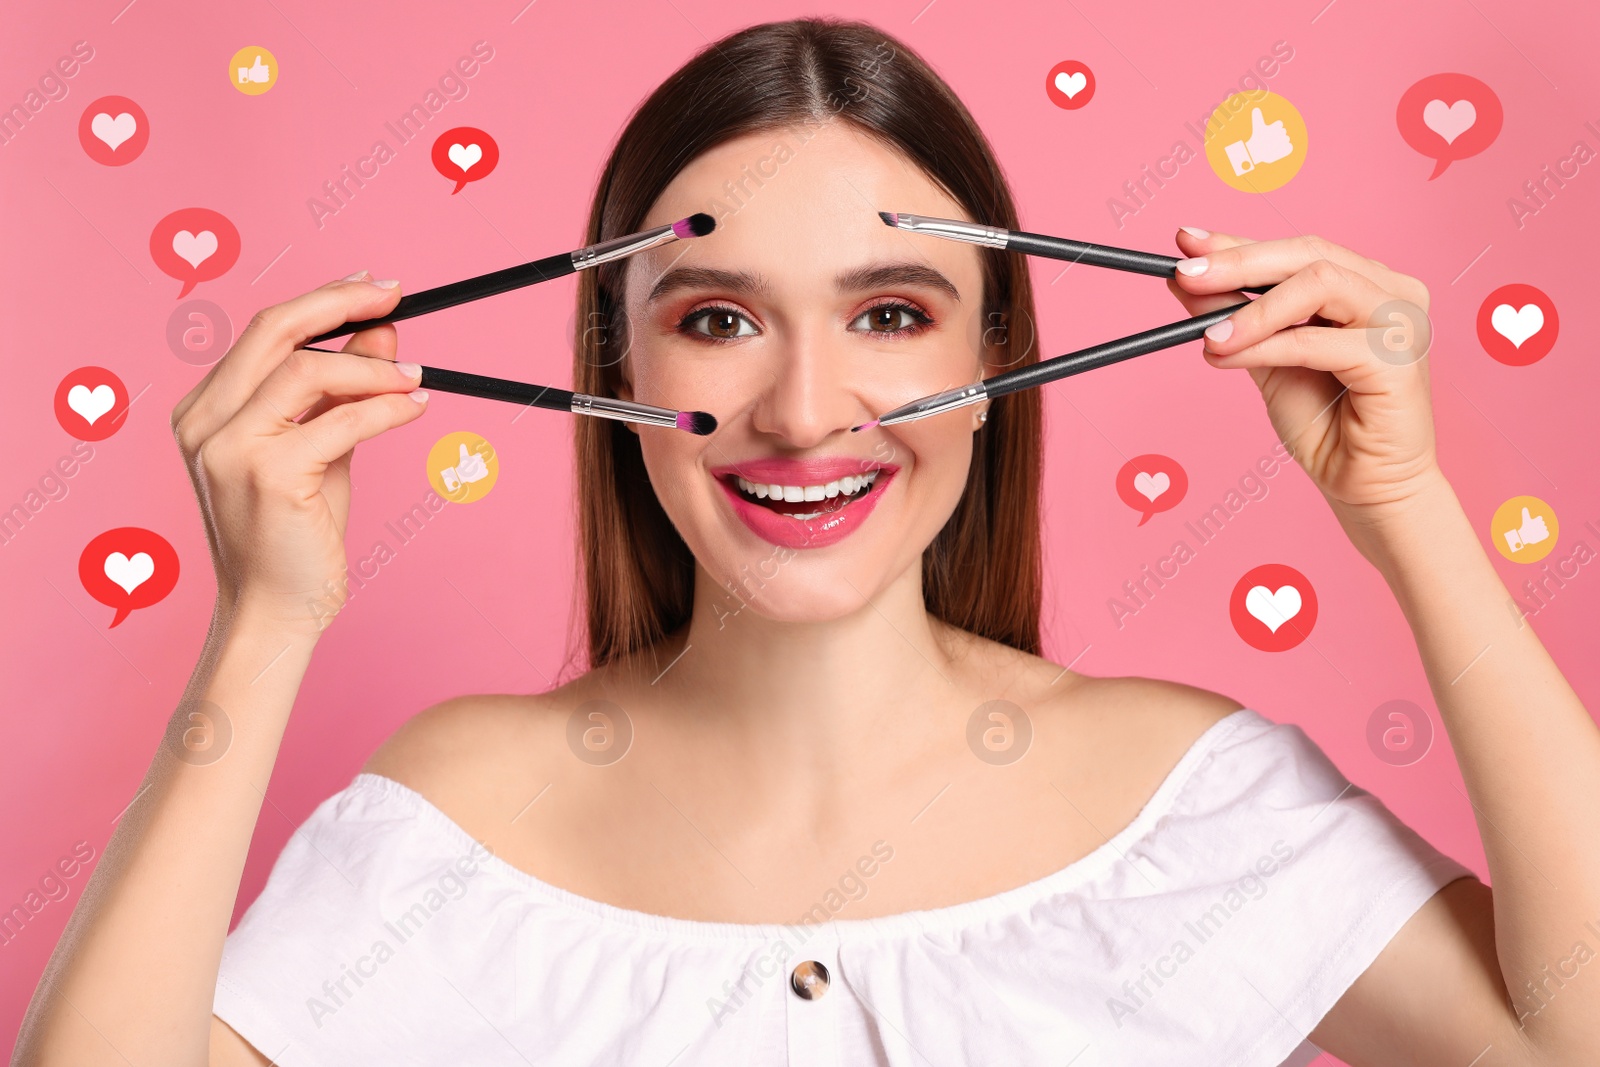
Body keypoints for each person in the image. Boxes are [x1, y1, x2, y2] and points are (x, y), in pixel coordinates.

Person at [17, 17, 1597, 1067]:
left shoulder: (1196, 808)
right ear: (618, 372)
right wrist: (265, 625)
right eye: (716, 321)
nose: (802, 409)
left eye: (891, 315)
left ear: (993, 363)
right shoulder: (453, 822)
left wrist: (1409, 513)